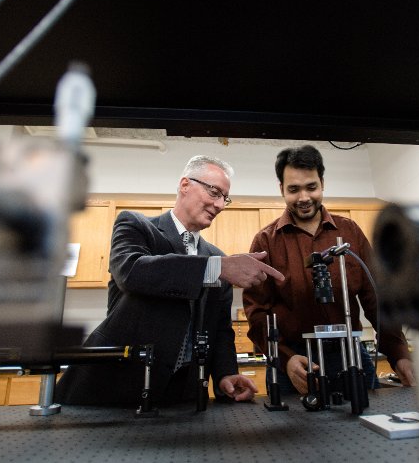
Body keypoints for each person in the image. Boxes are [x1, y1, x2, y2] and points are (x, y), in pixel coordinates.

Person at [55, 155, 284, 406]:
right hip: (116, 386)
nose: (219, 205)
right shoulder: (136, 225)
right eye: (214, 192)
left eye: (224, 198)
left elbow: (219, 328)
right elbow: (132, 272)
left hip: (183, 393)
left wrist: (225, 373)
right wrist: (214, 268)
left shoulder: (217, 258)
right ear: (185, 184)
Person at [242, 145, 416, 396]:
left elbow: (377, 299)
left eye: (311, 187)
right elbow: (257, 313)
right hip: (296, 364)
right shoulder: (266, 242)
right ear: (282, 189)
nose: (303, 197)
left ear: (322, 183)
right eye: (293, 189)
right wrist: (285, 359)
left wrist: (399, 353)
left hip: (351, 357)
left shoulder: (350, 232)